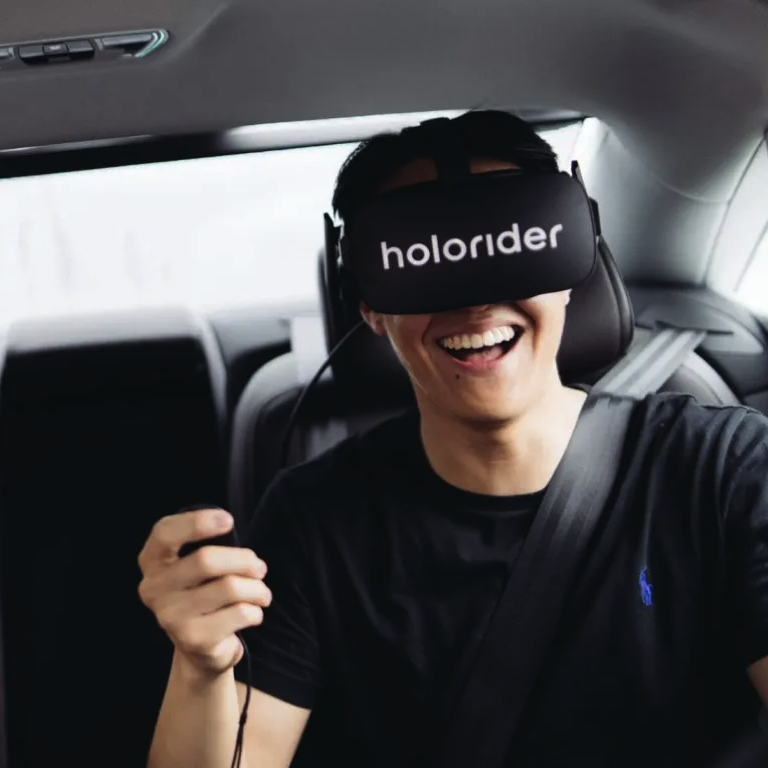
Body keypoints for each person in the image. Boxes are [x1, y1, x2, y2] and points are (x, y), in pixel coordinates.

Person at [138, 110, 768, 767]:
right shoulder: (313, 525)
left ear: (570, 265)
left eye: (509, 246)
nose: (475, 302)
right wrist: (200, 668)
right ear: (367, 303)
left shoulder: (724, 472)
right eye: (426, 259)